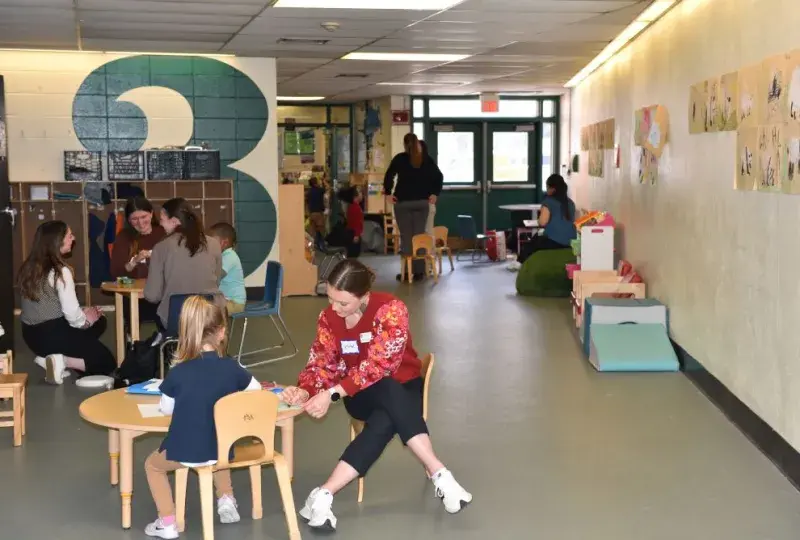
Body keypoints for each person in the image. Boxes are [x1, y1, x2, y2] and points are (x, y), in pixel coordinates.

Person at [282, 259, 472, 532]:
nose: (334, 308)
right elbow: (322, 364)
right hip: (359, 396)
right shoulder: (328, 319)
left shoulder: (391, 310)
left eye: (343, 303)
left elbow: (380, 365)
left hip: (403, 387)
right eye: (330, 299)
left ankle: (323, 494)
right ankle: (441, 475)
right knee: (386, 395)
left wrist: (332, 394)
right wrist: (306, 389)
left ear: (364, 296)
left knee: (386, 409)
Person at [143, 296, 262, 539]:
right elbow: (256, 392)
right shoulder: (232, 367)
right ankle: (226, 498)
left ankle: (167, 521)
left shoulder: (178, 372)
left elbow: (166, 409)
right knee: (219, 440)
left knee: (153, 466)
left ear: (188, 333)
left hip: (185, 452)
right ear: (221, 333)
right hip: (220, 451)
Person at [18, 221, 115, 384]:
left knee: (97, 322)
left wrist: (83, 315)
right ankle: (61, 360)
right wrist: (86, 320)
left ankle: (51, 357)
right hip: (53, 334)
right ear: (58, 241)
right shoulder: (60, 271)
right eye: (70, 235)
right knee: (106, 361)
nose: (73, 238)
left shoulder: (28, 267)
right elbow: (72, 316)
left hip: (31, 336)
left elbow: (50, 305)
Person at [144, 198, 223, 330]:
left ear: (174, 221)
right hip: (211, 315)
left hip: (178, 317)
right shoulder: (214, 244)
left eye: (162, 220)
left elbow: (152, 296)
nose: (161, 225)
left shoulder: (161, 247)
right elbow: (217, 280)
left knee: (157, 311)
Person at [384, 133, 444, 281]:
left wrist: (388, 193)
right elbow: (439, 176)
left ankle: (406, 272)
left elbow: (389, 175)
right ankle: (419, 272)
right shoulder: (425, 160)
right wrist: (434, 193)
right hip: (422, 203)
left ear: (405, 145)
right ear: (417, 143)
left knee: (406, 238)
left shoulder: (400, 158)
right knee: (419, 237)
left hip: (403, 203)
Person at [110, 196, 166, 325]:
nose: (140, 223)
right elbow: (116, 272)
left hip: (162, 294)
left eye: (144, 217)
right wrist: (134, 262)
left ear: (151, 214)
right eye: (134, 219)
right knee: (131, 313)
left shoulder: (163, 233)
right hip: (135, 297)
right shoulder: (124, 237)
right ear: (128, 220)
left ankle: (165, 342)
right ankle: (133, 343)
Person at [517, 174, 578, 264]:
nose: (547, 189)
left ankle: (519, 263)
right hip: (571, 241)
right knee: (537, 238)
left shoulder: (548, 202)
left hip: (554, 242)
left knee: (531, 244)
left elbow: (542, 222)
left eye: (547, 187)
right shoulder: (571, 203)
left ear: (552, 189)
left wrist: (538, 220)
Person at [208, 222, 246, 315]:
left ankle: (216, 329)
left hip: (234, 303)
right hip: (226, 299)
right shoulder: (222, 255)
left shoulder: (229, 256)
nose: (208, 244)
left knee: (208, 312)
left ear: (224, 242)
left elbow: (216, 276)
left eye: (212, 241)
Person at [420, 140, 443, 235]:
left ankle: (430, 250)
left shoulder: (428, 161)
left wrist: (435, 193)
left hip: (427, 201)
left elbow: (439, 176)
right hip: (415, 203)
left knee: (428, 231)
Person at [306, 177, 327, 250]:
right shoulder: (319, 190)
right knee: (321, 230)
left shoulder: (309, 192)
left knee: (313, 231)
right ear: (315, 183)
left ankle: (312, 246)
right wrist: (323, 181)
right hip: (319, 214)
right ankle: (322, 246)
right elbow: (327, 188)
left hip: (312, 214)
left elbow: (307, 202)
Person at [344, 186, 364, 259]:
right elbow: (355, 222)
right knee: (353, 256)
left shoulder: (353, 205)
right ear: (356, 196)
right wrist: (356, 235)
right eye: (360, 193)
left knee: (352, 255)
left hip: (352, 233)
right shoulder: (354, 207)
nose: (362, 195)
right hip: (353, 234)